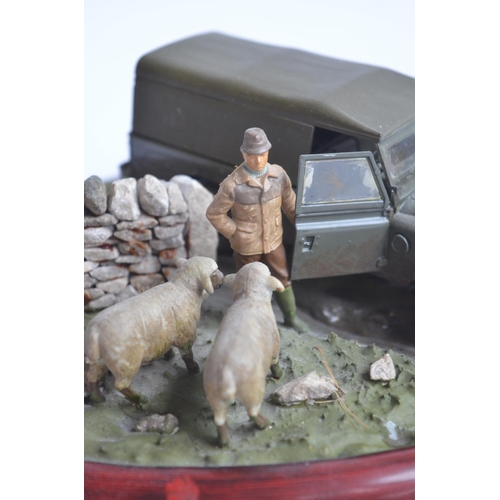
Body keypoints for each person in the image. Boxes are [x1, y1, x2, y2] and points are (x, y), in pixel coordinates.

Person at [206, 127, 308, 333]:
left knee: (282, 277)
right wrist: (234, 232)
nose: (259, 160)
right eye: (253, 156)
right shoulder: (233, 184)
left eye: (262, 154)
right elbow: (214, 213)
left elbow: (291, 205)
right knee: (245, 283)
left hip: (273, 241)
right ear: (244, 154)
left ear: (268, 152)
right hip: (246, 246)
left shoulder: (279, 176)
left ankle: (290, 317)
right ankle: (241, 321)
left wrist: (306, 226)